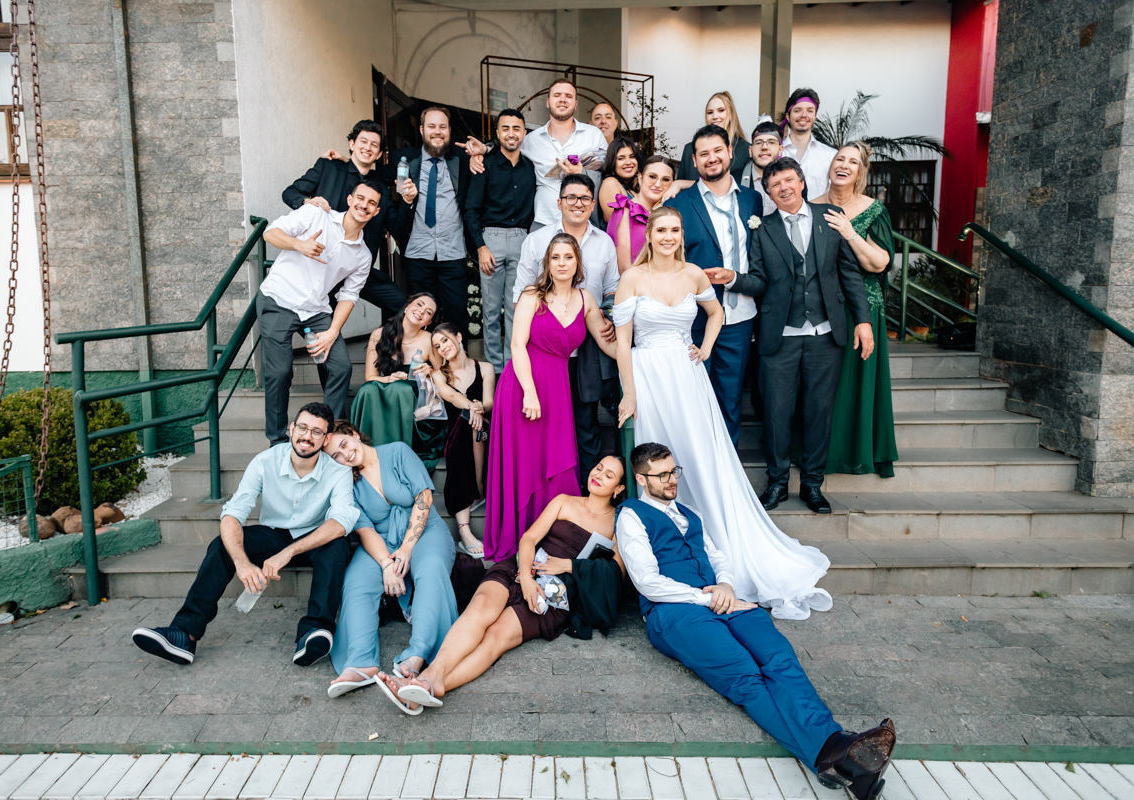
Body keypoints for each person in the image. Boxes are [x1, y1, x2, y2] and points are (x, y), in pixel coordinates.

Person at [616, 442, 896, 800]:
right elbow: (647, 581)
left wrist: (726, 585)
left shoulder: (690, 513)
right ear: (641, 479)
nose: (672, 480)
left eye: (674, 471)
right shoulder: (631, 515)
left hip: (723, 598)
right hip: (673, 611)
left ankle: (843, 758)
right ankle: (837, 755)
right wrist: (707, 597)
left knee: (778, 655)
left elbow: (718, 557)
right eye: (663, 475)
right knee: (744, 672)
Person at [612, 206, 832, 620]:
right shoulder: (632, 278)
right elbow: (623, 342)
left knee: (700, 458)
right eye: (661, 230)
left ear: (681, 234)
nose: (668, 236)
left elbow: (717, 313)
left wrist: (706, 348)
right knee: (657, 457)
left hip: (687, 376)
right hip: (649, 377)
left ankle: (716, 544)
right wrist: (630, 393)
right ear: (650, 234)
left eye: (675, 230)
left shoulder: (694, 274)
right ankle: (665, 553)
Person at [369, 456, 628, 714]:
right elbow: (529, 539)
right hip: (521, 567)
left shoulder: (616, 524)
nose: (599, 475)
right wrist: (526, 577)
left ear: (619, 488)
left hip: (551, 595)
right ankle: (430, 676)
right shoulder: (564, 501)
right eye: (598, 468)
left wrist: (569, 566)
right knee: (480, 608)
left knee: (496, 636)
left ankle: (429, 686)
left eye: (609, 475)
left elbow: (615, 574)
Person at [131, 403, 357, 667]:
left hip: (312, 539)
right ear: (291, 428)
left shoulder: (338, 471)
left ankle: (314, 632)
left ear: (327, 439)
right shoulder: (265, 461)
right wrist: (241, 562)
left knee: (337, 545)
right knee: (222, 545)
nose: (307, 436)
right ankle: (184, 634)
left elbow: (340, 522)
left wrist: (289, 552)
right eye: (303, 428)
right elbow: (233, 514)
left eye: (316, 432)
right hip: (273, 536)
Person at [719, 157, 874, 514]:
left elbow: (849, 273)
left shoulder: (830, 218)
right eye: (775, 185)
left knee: (819, 412)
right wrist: (734, 279)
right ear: (769, 193)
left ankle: (813, 484)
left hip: (825, 335)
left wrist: (862, 320)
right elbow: (759, 280)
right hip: (780, 337)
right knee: (776, 413)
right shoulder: (762, 229)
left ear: (802, 182)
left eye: (789, 180)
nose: (784, 188)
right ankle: (777, 483)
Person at [486, 232, 618, 562]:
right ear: (547, 263)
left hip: (558, 388)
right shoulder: (533, 295)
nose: (561, 263)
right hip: (522, 385)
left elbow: (607, 343)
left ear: (577, 262)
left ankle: (554, 540)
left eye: (568, 257)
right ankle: (519, 537)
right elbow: (517, 345)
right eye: (555, 257)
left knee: (557, 459)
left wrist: (645, 358)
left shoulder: (586, 300)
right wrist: (530, 393)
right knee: (526, 462)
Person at [317, 422, 457, 696]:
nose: (345, 455)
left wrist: (406, 549)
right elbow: (365, 530)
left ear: (354, 434)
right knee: (356, 581)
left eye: (344, 444)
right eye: (336, 456)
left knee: (430, 570)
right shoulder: (348, 483)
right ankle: (361, 662)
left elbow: (424, 499)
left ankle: (417, 656)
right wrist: (386, 565)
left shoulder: (397, 452)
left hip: (423, 531)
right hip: (381, 541)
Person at [257, 178, 383, 445]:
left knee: (341, 367)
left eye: (372, 203)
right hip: (279, 300)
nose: (364, 205)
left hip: (316, 310)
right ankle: (277, 440)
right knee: (279, 373)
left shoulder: (363, 255)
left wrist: (333, 331)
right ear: (350, 200)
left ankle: (330, 433)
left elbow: (349, 295)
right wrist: (299, 245)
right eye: (361, 198)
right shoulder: (316, 214)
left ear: (376, 211)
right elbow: (270, 232)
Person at [512, 175, 620, 480]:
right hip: (544, 351)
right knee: (546, 425)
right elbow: (521, 295)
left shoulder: (604, 242)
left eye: (585, 198)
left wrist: (607, 317)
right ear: (559, 203)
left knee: (585, 422)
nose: (578, 203)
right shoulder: (537, 240)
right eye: (571, 197)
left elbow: (612, 289)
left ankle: (585, 491)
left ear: (592, 204)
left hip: (588, 343)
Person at [665, 125, 762, 446]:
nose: (712, 158)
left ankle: (727, 465)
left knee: (730, 400)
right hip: (695, 317)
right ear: (694, 160)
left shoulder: (752, 200)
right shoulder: (681, 202)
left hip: (739, 316)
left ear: (731, 152)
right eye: (703, 154)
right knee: (692, 398)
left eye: (718, 150)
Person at [812, 142, 898, 478]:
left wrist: (849, 233)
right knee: (824, 385)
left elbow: (879, 263)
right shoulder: (812, 205)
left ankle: (857, 452)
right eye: (839, 159)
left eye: (852, 162)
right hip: (822, 307)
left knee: (855, 384)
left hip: (863, 309)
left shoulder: (873, 210)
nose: (844, 165)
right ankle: (821, 452)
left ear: (861, 172)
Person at [281, 119, 415, 317]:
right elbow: (290, 193)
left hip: (358, 268)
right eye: (363, 141)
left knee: (407, 307)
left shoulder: (381, 187)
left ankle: (384, 337)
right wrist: (308, 202)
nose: (368, 148)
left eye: (374, 145)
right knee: (323, 323)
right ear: (352, 144)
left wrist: (407, 202)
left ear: (379, 154)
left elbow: (398, 229)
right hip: (322, 264)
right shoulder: (328, 167)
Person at [463, 108, 535, 370]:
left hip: (522, 239)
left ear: (524, 133)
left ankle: (514, 367)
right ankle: (494, 369)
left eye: (516, 128)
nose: (511, 133)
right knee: (491, 310)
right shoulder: (485, 164)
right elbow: (471, 209)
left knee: (517, 308)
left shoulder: (530, 167)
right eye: (505, 128)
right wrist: (480, 247)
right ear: (497, 133)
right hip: (491, 238)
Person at [392, 106, 474, 337]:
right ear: (421, 130)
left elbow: (495, 156)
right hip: (418, 252)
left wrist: (484, 150)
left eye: (442, 126)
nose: (437, 131)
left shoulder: (461, 160)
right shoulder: (404, 160)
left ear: (449, 130)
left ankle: (457, 360)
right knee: (419, 319)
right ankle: (421, 359)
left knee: (456, 317)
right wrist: (345, 161)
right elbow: (371, 174)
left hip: (453, 252)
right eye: (431, 126)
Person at [349, 293, 444, 468]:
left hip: (415, 403)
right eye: (419, 304)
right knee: (367, 390)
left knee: (400, 389)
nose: (421, 311)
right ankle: (366, 451)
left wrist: (430, 371)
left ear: (428, 322)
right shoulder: (379, 334)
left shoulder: (429, 340)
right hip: (387, 387)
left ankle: (397, 458)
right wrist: (388, 378)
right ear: (407, 307)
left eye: (428, 312)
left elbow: (443, 376)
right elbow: (370, 377)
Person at [430, 322, 496, 558]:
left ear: (458, 336)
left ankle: (479, 489)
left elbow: (489, 402)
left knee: (476, 426)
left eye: (445, 340)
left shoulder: (485, 367)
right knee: (464, 424)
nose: (442, 348)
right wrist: (471, 407)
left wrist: (479, 408)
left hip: (485, 430)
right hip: (454, 436)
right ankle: (464, 529)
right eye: (437, 346)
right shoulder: (438, 374)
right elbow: (450, 395)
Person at [510, 78, 607, 231]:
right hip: (543, 222)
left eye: (568, 96)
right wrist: (485, 150)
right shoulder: (531, 140)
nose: (562, 99)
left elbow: (608, 173)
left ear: (575, 103)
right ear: (548, 102)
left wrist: (581, 172)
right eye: (557, 95)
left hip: (583, 222)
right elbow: (508, 155)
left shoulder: (593, 135)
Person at [608, 153, 675, 272]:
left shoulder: (669, 213)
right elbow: (624, 269)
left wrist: (681, 183)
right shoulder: (624, 211)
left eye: (666, 179)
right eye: (652, 177)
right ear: (640, 177)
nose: (658, 184)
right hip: (634, 281)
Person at [676, 92, 751, 182]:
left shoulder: (746, 150)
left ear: (731, 114)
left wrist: (686, 184)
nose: (715, 116)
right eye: (710, 112)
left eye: (721, 110)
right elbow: (680, 186)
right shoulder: (689, 149)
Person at [780, 88, 837, 201]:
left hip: (819, 212)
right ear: (788, 116)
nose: (804, 115)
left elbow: (835, 194)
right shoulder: (776, 153)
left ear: (815, 116)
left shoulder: (830, 155)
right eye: (797, 110)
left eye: (810, 110)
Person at [596, 136, 643, 224]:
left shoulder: (637, 186)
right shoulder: (610, 183)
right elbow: (615, 223)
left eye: (632, 157)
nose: (628, 162)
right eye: (621, 158)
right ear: (612, 162)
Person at [742, 119, 783, 216]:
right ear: (750, 150)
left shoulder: (793, 181)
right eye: (758, 142)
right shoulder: (734, 181)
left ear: (780, 150)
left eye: (771, 142)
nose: (764, 147)